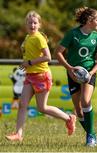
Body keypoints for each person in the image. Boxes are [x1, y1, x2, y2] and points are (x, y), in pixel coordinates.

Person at [5, 10, 76, 141]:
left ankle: (69, 118)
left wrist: (29, 62)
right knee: (22, 105)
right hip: (30, 76)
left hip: (42, 76)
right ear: (26, 24)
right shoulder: (27, 38)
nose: (32, 25)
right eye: (30, 22)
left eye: (35, 23)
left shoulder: (39, 38)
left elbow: (48, 57)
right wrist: (27, 63)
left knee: (42, 108)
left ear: (39, 25)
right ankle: (18, 134)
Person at [55, 7, 97, 147]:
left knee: (86, 100)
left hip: (89, 72)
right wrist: (69, 68)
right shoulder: (72, 34)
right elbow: (58, 52)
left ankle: (90, 137)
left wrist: (91, 73)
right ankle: (92, 134)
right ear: (89, 20)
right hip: (74, 73)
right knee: (78, 108)